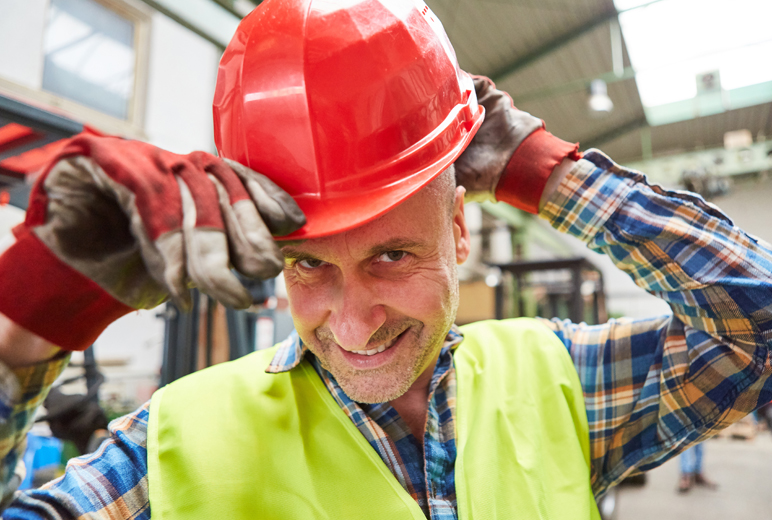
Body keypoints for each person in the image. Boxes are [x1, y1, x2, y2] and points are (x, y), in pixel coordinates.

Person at [0, 0, 771, 517]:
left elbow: (757, 330)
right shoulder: (172, 445)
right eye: (309, 266)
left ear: (459, 233)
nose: (355, 323)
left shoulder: (561, 381)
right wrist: (26, 327)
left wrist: (549, 172)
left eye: (393, 254)